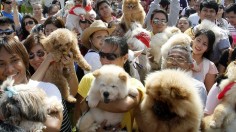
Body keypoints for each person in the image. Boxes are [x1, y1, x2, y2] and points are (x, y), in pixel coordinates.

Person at [74, 36, 145, 131]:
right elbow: (78, 114)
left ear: (125, 58)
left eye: (111, 56)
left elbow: (124, 106)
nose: (104, 60)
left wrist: (90, 99)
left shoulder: (135, 84)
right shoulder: (89, 78)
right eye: (102, 54)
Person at [0, 36, 63, 131]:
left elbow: (52, 127)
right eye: (1, 64)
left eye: (14, 60)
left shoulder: (46, 88)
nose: (9, 69)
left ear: (25, 61)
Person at [161, 34, 207, 107]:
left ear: (190, 65)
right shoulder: (157, 83)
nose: (174, 63)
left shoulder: (197, 87)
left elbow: (197, 115)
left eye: (180, 59)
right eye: (170, 58)